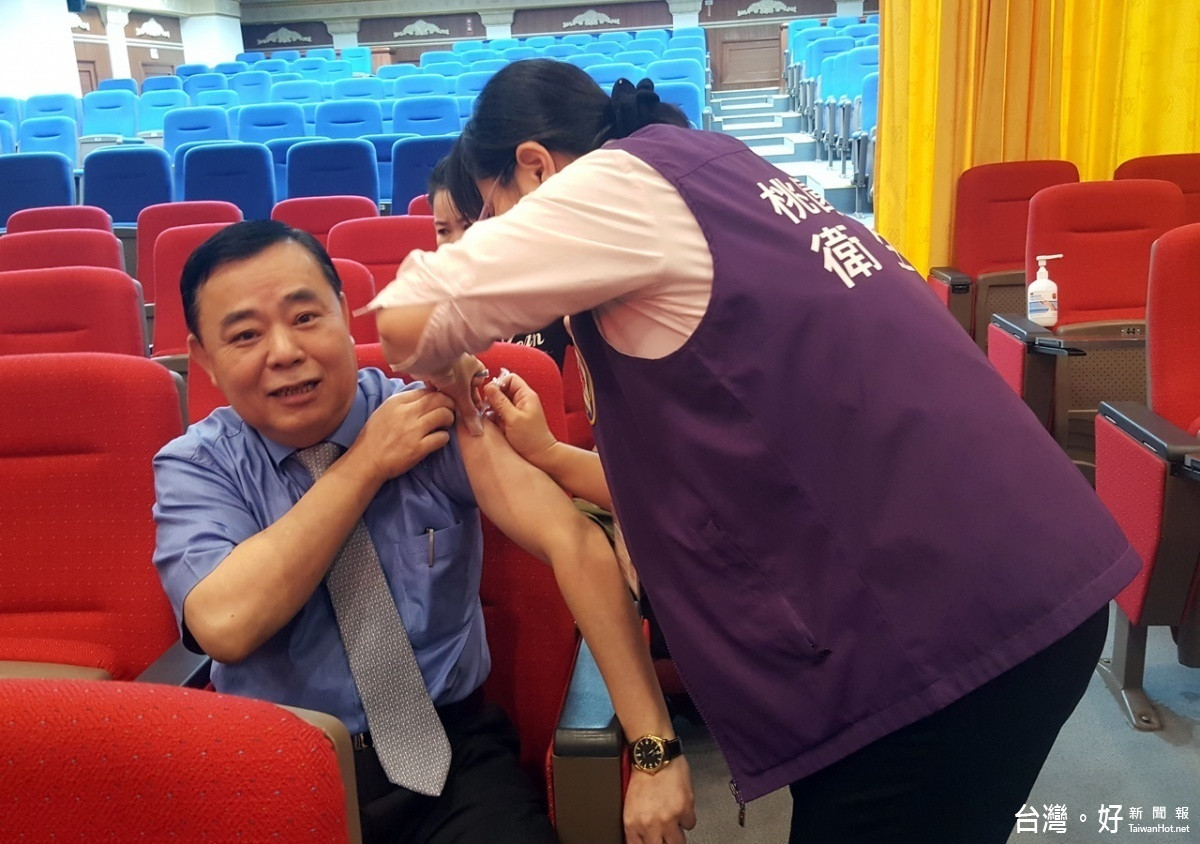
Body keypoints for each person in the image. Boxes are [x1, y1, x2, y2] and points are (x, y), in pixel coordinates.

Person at [366, 60, 1142, 843]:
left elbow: (405, 322)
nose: (488, 241)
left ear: (536, 167)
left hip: (945, 634)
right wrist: (551, 453)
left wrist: (452, 358)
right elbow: (728, 467)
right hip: (1019, 577)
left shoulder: (609, 189)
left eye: (489, 216)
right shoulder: (707, 166)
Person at [151, 220, 695, 844]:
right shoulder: (198, 466)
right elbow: (224, 625)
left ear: (344, 313)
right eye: (246, 334)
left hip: (447, 758)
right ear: (203, 358)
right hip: (275, 768)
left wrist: (655, 749)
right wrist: (365, 464)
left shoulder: (437, 413)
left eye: (305, 318)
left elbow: (572, 543)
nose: (284, 351)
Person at [428, 151, 572, 367]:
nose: (456, 242)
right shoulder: (431, 304)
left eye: (468, 225)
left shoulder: (551, 289)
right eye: (443, 230)